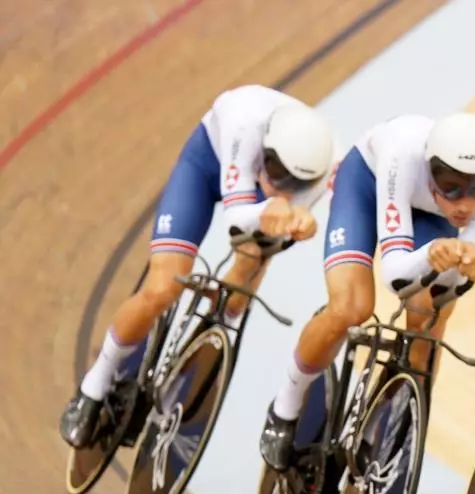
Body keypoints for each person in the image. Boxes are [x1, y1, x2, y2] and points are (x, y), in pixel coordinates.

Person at [59, 84, 336, 449]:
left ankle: (211, 334)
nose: (280, 184)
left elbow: (271, 227)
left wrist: (299, 224)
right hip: (207, 167)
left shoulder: (322, 173)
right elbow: (238, 219)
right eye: (275, 170)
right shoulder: (245, 121)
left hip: (259, 203)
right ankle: (94, 386)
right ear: (265, 149)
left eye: (294, 182)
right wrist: (274, 209)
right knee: (162, 289)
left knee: (246, 275)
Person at [258, 111, 475, 470]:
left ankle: (376, 426)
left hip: (430, 217)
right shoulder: (402, 155)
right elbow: (395, 274)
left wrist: (465, 265)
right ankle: (284, 410)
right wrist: (431, 254)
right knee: (352, 307)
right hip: (366, 186)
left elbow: (454, 282)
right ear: (431, 171)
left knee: (428, 321)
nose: (464, 203)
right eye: (451, 185)